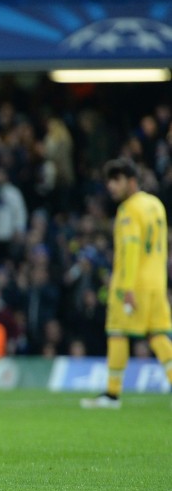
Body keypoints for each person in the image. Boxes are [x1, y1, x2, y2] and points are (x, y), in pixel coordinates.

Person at [81, 159, 172, 409]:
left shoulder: (129, 210)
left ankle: (111, 395)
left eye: (117, 180)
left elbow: (131, 249)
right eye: (109, 181)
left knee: (118, 333)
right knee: (159, 335)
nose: (111, 186)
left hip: (132, 284)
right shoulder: (156, 205)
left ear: (131, 181)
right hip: (156, 282)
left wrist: (127, 288)